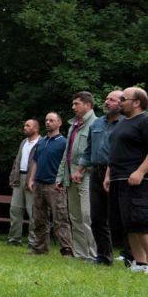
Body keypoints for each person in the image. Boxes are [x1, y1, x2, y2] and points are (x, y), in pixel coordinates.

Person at [105, 87, 148, 273]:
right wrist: (108, 174)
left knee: (141, 223)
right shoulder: (123, 123)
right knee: (128, 224)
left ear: (137, 102)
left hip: (137, 179)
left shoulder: (145, 121)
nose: (120, 101)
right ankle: (140, 263)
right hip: (118, 177)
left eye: (124, 98)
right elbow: (115, 151)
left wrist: (140, 172)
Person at [80, 90, 125, 265]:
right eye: (106, 99)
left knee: (122, 216)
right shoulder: (96, 124)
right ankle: (104, 256)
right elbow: (89, 149)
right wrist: (81, 168)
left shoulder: (125, 125)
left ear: (121, 104)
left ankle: (131, 256)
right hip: (96, 173)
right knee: (97, 217)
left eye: (112, 100)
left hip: (118, 173)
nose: (106, 102)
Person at [57, 91, 98, 260]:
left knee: (87, 215)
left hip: (86, 176)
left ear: (87, 105)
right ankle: (81, 254)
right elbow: (67, 153)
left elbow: (95, 153)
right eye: (73, 104)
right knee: (75, 217)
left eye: (76, 104)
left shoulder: (96, 124)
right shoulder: (73, 125)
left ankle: (94, 254)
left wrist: (82, 171)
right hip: (70, 176)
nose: (73, 107)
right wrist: (60, 176)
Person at [28, 112, 73, 256]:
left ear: (59, 123)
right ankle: (40, 248)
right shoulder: (41, 141)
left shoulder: (64, 142)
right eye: (46, 120)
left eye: (51, 120)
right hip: (39, 184)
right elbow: (35, 161)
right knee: (39, 218)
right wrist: (31, 179)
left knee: (60, 218)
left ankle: (66, 249)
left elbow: (67, 163)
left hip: (55, 184)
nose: (48, 123)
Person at [6, 119, 40, 247]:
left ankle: (33, 241)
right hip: (19, 177)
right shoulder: (23, 142)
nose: (24, 127)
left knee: (33, 211)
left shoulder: (41, 143)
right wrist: (13, 177)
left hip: (33, 179)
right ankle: (14, 239)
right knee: (15, 209)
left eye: (28, 125)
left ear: (35, 129)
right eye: (24, 125)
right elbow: (17, 161)